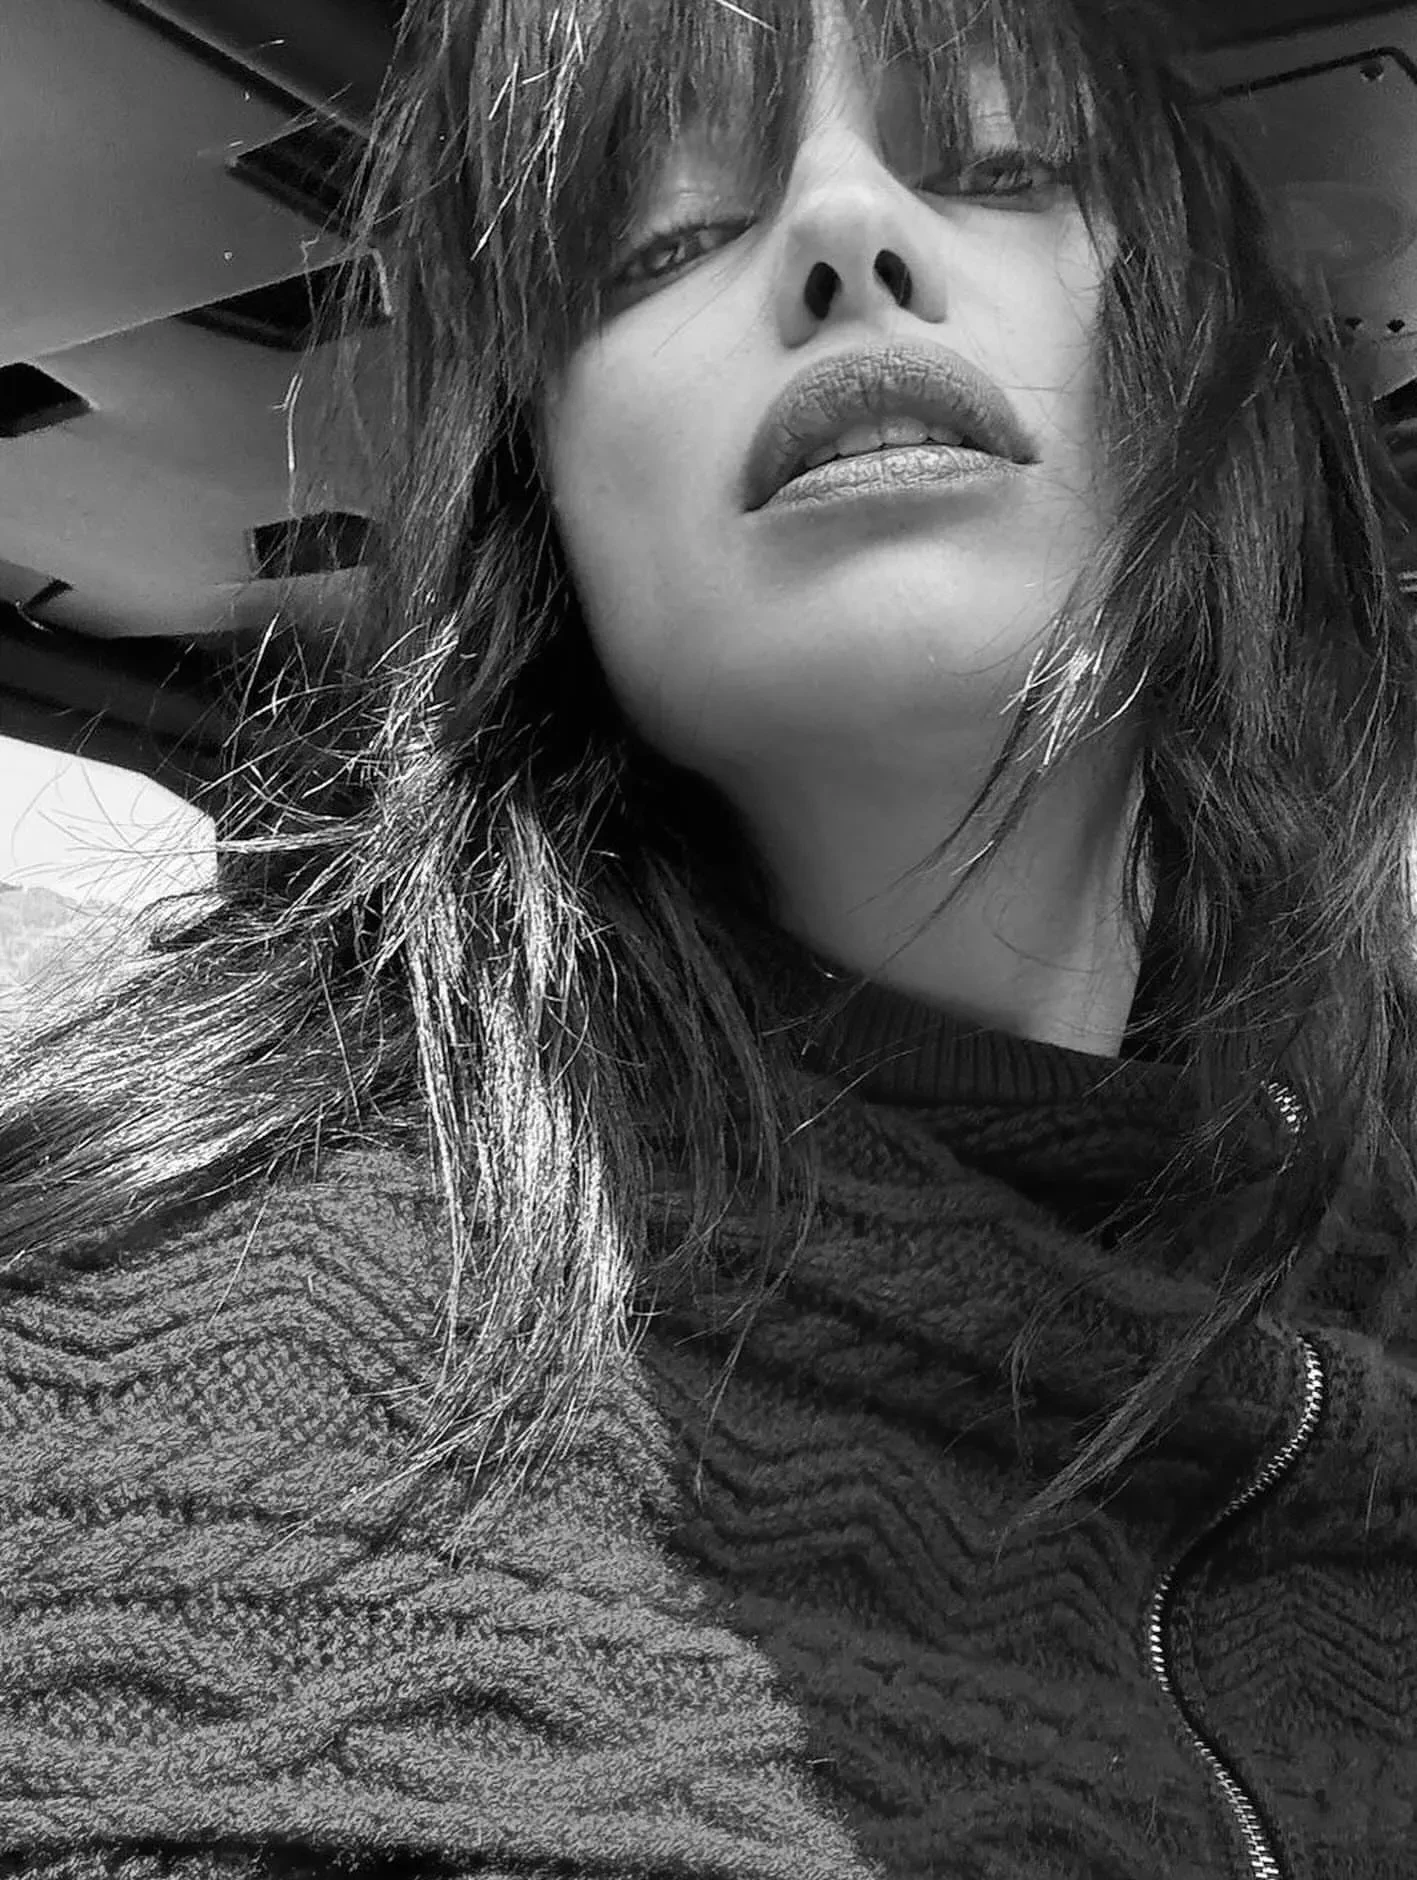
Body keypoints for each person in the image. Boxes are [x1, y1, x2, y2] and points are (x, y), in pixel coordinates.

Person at [1, 0, 1416, 1873]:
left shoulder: (1367, 1245)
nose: (846, 226)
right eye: (664, 236)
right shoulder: (160, 1420)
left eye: (1005, 165)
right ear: (544, 515)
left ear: (1208, 383)